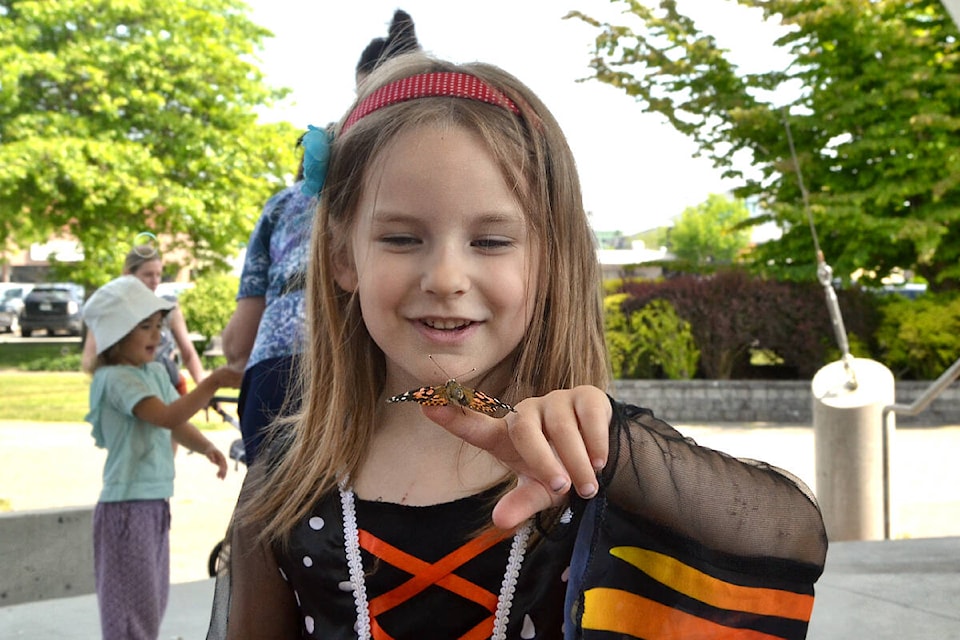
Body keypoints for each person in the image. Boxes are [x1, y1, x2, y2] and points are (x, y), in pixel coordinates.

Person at [208, 54, 828, 640]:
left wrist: (616, 451)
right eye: (400, 238)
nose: (446, 277)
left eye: (493, 241)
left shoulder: (595, 460)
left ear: (552, 259)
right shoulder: (287, 478)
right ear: (344, 257)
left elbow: (794, 538)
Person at [220, 8, 422, 464]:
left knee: (271, 519)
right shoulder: (435, 176)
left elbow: (238, 339)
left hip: (284, 368)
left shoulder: (292, 199)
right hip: (390, 379)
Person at [82, 275, 242, 640]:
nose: (156, 334)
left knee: (151, 602)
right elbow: (165, 416)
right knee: (129, 612)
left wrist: (205, 446)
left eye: (158, 325)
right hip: (125, 507)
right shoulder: (116, 379)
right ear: (116, 333)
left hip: (153, 503)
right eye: (144, 327)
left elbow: (175, 419)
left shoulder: (152, 372)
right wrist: (213, 381)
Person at [82, 245, 205, 397]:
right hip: (133, 390)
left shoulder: (167, 306)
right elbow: (90, 359)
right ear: (128, 275)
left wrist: (204, 388)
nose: (155, 281)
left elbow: (189, 353)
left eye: (158, 275)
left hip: (169, 387)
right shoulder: (111, 309)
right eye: (148, 275)